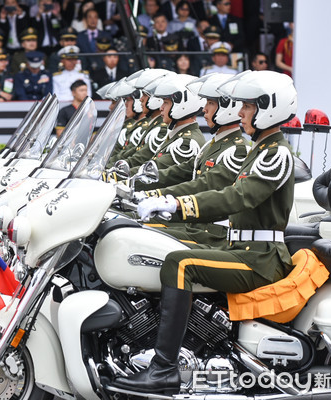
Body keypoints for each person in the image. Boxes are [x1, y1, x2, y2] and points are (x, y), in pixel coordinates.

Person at [114, 70, 297, 394]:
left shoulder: (275, 153)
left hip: (261, 259)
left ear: (270, 107)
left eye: (249, 106)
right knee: (160, 246)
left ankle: (164, 369)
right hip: (240, 248)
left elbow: (236, 196)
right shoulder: (261, 148)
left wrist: (174, 204)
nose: (240, 111)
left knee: (179, 263)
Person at [136, 73, 249, 246]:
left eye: (210, 103)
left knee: (142, 237)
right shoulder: (212, 145)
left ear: (228, 107)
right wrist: (134, 186)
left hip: (213, 234)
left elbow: (204, 185)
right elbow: (176, 172)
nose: (204, 109)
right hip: (196, 227)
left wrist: (161, 198)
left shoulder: (236, 151)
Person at [122, 72, 207, 175]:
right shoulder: (176, 134)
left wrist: (121, 175)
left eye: (166, 103)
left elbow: (159, 172)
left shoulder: (186, 143)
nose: (161, 108)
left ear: (183, 105)